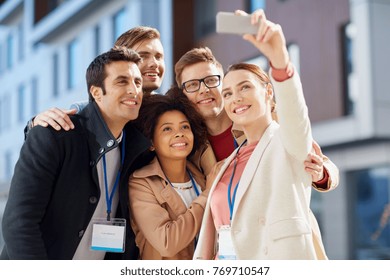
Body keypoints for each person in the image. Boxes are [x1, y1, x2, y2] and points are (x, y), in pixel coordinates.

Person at [194, 10, 327, 260]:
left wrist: (280, 61)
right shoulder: (230, 161)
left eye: (245, 87)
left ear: (268, 92)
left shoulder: (286, 141)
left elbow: (296, 119)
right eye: (228, 93)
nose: (236, 98)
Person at [1, 47, 150, 260]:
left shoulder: (137, 150)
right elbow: (18, 222)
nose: (134, 90)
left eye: (137, 82)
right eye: (122, 81)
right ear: (96, 92)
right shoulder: (54, 134)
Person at [174, 47, 338, 189]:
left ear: (224, 83)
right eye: (192, 85)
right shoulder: (189, 146)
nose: (203, 90)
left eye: (211, 80)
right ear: (183, 95)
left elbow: (324, 164)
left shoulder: (269, 116)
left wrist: (321, 174)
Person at [27, 26, 165, 132]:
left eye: (158, 56)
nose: (154, 63)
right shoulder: (85, 112)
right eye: (143, 56)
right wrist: (36, 124)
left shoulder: (170, 109)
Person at [128, 88, 213, 259]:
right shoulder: (141, 182)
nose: (179, 133)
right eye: (167, 129)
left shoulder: (200, 176)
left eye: (184, 126)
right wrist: (206, 196)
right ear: (151, 142)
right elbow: (167, 243)